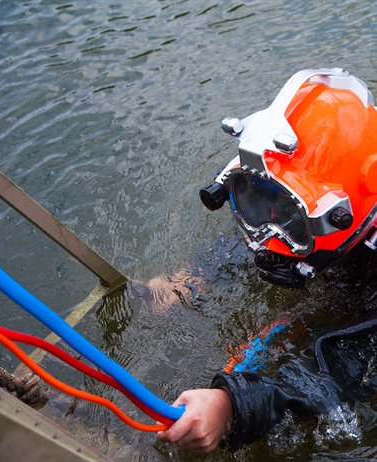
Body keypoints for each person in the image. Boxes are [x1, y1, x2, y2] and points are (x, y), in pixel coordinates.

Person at [157, 69, 377, 453]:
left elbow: (337, 372)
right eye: (254, 198)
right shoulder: (325, 218)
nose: (266, 238)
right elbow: (272, 218)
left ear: (343, 214)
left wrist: (230, 406)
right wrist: (195, 276)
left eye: (293, 218)